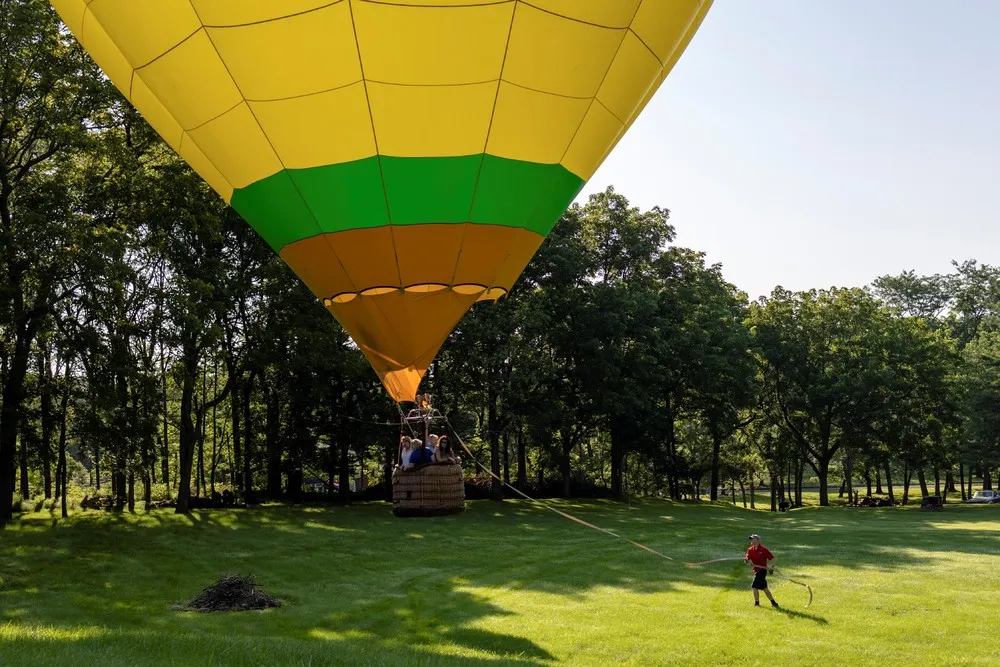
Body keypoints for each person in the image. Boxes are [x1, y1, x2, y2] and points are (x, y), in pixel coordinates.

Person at [745, 534, 779, 607]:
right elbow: (747, 558)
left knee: (754, 586)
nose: (751, 540)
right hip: (756, 570)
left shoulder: (763, 549)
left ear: (757, 540)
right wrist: (747, 561)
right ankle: (774, 603)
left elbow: (772, 559)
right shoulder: (750, 549)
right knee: (764, 588)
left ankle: (757, 603)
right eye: (750, 539)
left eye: (753, 539)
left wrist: (772, 567)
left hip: (762, 571)